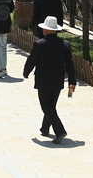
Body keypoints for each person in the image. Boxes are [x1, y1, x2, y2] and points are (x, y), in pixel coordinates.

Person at [23, 15, 76, 144]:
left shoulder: (39, 44)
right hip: (58, 80)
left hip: (43, 80)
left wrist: (26, 72)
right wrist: (72, 81)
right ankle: (45, 128)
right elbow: (70, 64)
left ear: (45, 30)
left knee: (46, 106)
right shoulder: (65, 45)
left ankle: (60, 131)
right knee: (51, 105)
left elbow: (32, 60)